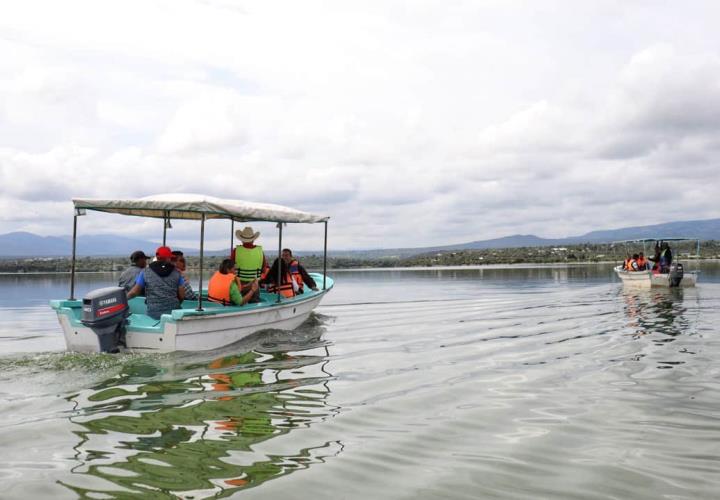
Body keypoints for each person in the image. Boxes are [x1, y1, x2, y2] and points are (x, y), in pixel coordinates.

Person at [127, 246, 185, 319]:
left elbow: (134, 292)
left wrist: (124, 299)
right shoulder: (177, 272)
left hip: (153, 314)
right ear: (168, 258)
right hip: (173, 313)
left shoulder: (145, 272)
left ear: (157, 257)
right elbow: (182, 295)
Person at [231, 226, 267, 302]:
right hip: (255, 284)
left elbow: (230, 269)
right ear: (253, 239)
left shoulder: (236, 251)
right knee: (254, 306)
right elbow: (264, 270)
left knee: (239, 306)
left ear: (242, 240)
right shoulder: (260, 251)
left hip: (239, 284)